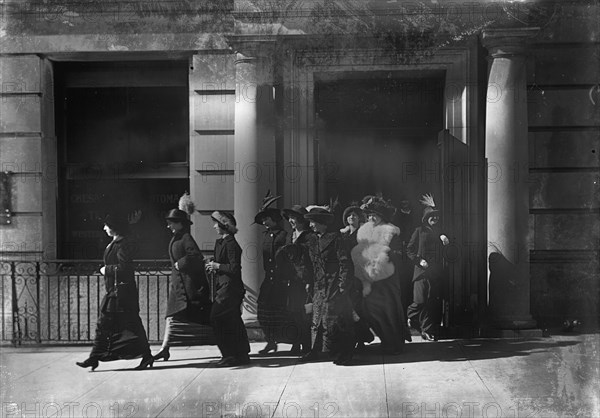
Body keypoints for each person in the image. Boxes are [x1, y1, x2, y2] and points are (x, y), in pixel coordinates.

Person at [76, 215, 153, 371]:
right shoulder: (116, 243)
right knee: (113, 324)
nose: (104, 228)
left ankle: (145, 355)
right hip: (117, 292)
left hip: (121, 293)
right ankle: (95, 357)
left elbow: (125, 268)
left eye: (106, 225)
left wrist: (107, 270)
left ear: (114, 226)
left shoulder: (122, 245)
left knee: (121, 324)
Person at [351, 196, 411, 355]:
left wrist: (384, 258)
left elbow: (397, 254)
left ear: (382, 216)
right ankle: (385, 339)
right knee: (372, 310)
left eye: (374, 215)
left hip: (387, 277)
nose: (371, 218)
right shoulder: (364, 230)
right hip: (369, 277)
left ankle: (395, 343)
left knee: (389, 310)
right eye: (369, 215)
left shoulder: (390, 231)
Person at [152, 206, 212, 362]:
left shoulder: (186, 238)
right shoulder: (178, 237)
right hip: (179, 286)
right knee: (171, 317)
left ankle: (165, 349)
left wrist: (181, 263)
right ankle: (165, 348)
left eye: (171, 223)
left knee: (175, 317)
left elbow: (196, 256)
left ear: (180, 223)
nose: (168, 226)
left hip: (188, 286)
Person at [301, 206, 355, 365]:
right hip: (319, 286)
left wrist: (343, 285)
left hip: (334, 286)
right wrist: (309, 282)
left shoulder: (336, 239)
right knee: (316, 320)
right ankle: (316, 350)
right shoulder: (312, 240)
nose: (311, 225)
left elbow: (345, 263)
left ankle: (344, 353)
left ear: (322, 223)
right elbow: (311, 264)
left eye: (313, 222)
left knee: (338, 320)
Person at [205, 211, 251, 367]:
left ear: (224, 225)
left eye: (216, 223)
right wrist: (213, 265)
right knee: (233, 320)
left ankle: (229, 353)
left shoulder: (231, 243)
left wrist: (218, 266)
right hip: (224, 286)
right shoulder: (221, 242)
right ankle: (241, 354)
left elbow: (235, 268)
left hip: (230, 288)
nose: (214, 226)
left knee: (216, 317)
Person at [406, 194, 449, 341]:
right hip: (421, 273)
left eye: (437, 216)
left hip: (435, 273)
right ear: (426, 218)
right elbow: (409, 250)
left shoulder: (441, 233)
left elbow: (448, 254)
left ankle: (427, 330)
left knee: (430, 303)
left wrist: (446, 241)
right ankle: (410, 317)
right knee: (419, 301)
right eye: (432, 216)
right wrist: (419, 261)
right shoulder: (419, 231)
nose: (435, 219)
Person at [277, 205, 314, 354]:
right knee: (292, 313)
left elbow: (312, 260)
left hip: (304, 281)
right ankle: (296, 343)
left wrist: (309, 280)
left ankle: (306, 345)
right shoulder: (289, 236)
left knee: (304, 314)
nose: (291, 221)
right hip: (291, 280)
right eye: (290, 218)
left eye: (294, 218)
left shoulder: (310, 237)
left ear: (302, 220)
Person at [255, 202, 289, 354]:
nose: (264, 222)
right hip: (269, 280)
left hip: (281, 280)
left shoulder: (283, 236)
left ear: (274, 219)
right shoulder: (266, 236)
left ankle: (294, 342)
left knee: (282, 312)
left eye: (267, 218)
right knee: (262, 310)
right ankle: (270, 341)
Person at [339, 204, 374, 349]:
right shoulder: (342, 235)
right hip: (346, 274)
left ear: (359, 218)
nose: (351, 217)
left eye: (354, 215)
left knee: (360, 306)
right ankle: (352, 337)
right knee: (348, 306)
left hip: (360, 274)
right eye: (349, 215)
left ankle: (361, 339)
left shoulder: (363, 235)